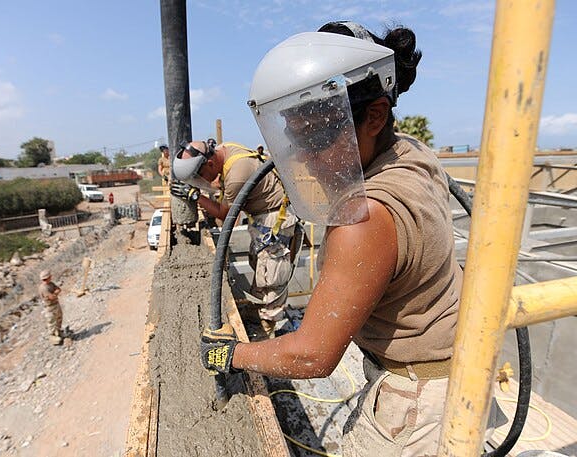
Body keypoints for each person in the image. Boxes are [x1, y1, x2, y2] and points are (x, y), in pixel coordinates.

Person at [201, 22, 482, 455]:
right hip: (456, 365)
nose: (304, 159)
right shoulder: (409, 150)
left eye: (317, 136)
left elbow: (312, 356)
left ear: (376, 115)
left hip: (419, 396)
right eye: (294, 139)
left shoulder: (365, 220)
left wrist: (231, 354)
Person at [171, 140, 303, 336]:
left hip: (275, 220)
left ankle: (266, 332)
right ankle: (257, 314)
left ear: (209, 164)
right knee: (261, 271)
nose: (203, 181)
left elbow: (226, 214)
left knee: (271, 280)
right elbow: (217, 184)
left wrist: (195, 196)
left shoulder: (236, 176)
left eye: (201, 176)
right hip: (263, 218)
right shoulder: (225, 150)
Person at [38, 270, 64, 345]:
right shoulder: (43, 288)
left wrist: (55, 293)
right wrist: (55, 293)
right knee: (51, 321)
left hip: (55, 304)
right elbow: (52, 297)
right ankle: (52, 337)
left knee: (59, 317)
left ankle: (58, 331)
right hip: (49, 307)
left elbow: (59, 289)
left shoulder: (51, 284)